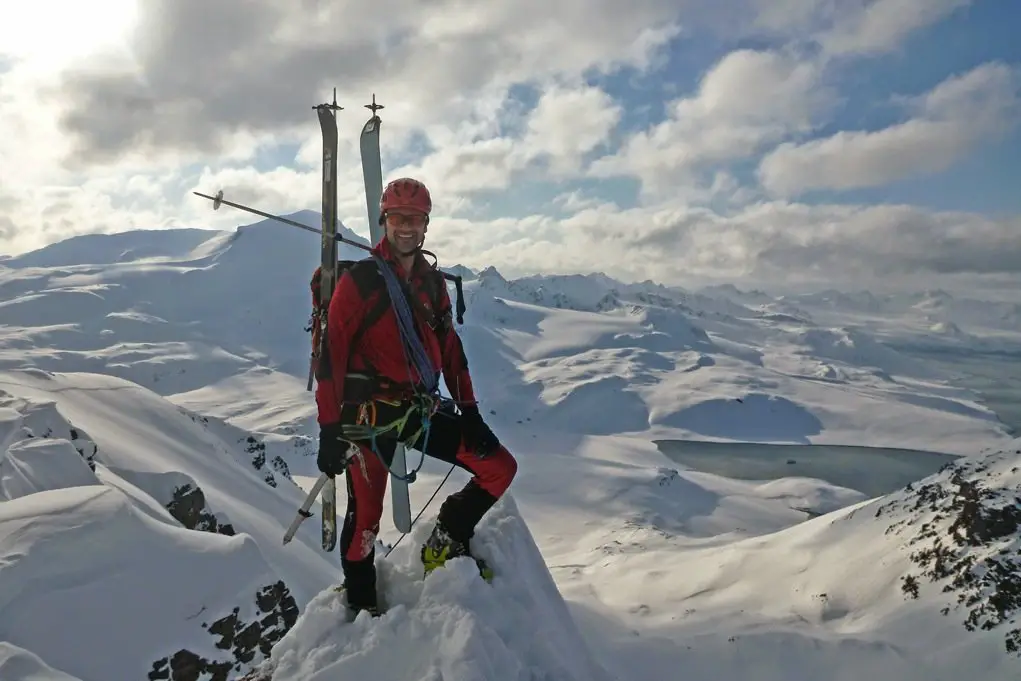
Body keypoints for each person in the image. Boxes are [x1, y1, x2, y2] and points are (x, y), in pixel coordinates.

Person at [313, 177, 518, 617]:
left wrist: (470, 412)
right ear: (384, 220)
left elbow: (449, 349)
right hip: (366, 419)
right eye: (398, 218)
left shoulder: (431, 283)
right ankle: (361, 606)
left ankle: (445, 538)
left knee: (499, 468)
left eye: (415, 219)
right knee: (365, 521)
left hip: (417, 410)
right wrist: (329, 429)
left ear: (426, 225)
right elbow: (331, 360)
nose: (407, 227)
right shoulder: (361, 284)